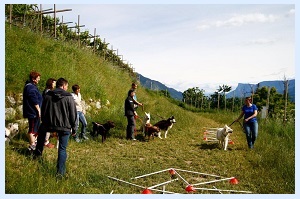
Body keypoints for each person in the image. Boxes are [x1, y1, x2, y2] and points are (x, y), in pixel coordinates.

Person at [35, 78, 77, 178]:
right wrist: (74, 128)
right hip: (64, 126)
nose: (66, 88)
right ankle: (60, 173)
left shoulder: (47, 95)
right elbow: (73, 114)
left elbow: (43, 109)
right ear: (63, 86)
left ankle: (36, 158)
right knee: (62, 149)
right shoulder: (69, 97)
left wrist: (44, 122)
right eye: (66, 86)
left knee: (40, 139)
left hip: (48, 124)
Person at [23, 71, 43, 151]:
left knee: (35, 129)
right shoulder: (30, 87)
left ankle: (33, 143)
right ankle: (32, 145)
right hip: (32, 112)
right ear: (33, 79)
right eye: (38, 78)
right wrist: (38, 110)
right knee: (32, 129)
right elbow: (33, 99)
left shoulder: (32, 86)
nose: (39, 80)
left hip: (34, 112)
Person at [42, 78, 56, 148]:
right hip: (47, 112)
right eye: (54, 83)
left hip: (48, 111)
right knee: (47, 126)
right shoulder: (47, 92)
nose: (55, 84)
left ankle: (46, 140)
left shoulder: (48, 91)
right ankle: (45, 142)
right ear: (50, 83)